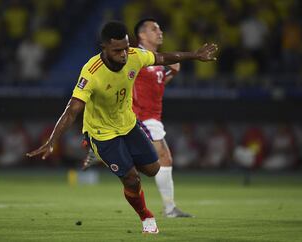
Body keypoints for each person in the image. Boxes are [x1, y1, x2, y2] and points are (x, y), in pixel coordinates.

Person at [27, 21, 217, 234]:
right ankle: (146, 216)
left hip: (128, 124)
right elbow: (72, 109)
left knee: (153, 169)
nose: (124, 54)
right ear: (104, 47)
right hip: (102, 133)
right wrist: (52, 141)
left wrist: (195, 55)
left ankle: (114, 158)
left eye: (126, 48)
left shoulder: (135, 56)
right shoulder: (91, 71)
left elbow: (163, 58)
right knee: (132, 178)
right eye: (118, 50)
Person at [132, 18, 192, 218]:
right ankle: (170, 209)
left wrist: (171, 74)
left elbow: (154, 86)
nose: (159, 31)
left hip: (151, 117)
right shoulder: (136, 56)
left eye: (159, 27)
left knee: (157, 160)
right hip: (142, 116)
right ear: (142, 35)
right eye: (153, 28)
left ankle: (104, 149)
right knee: (163, 157)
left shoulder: (155, 59)